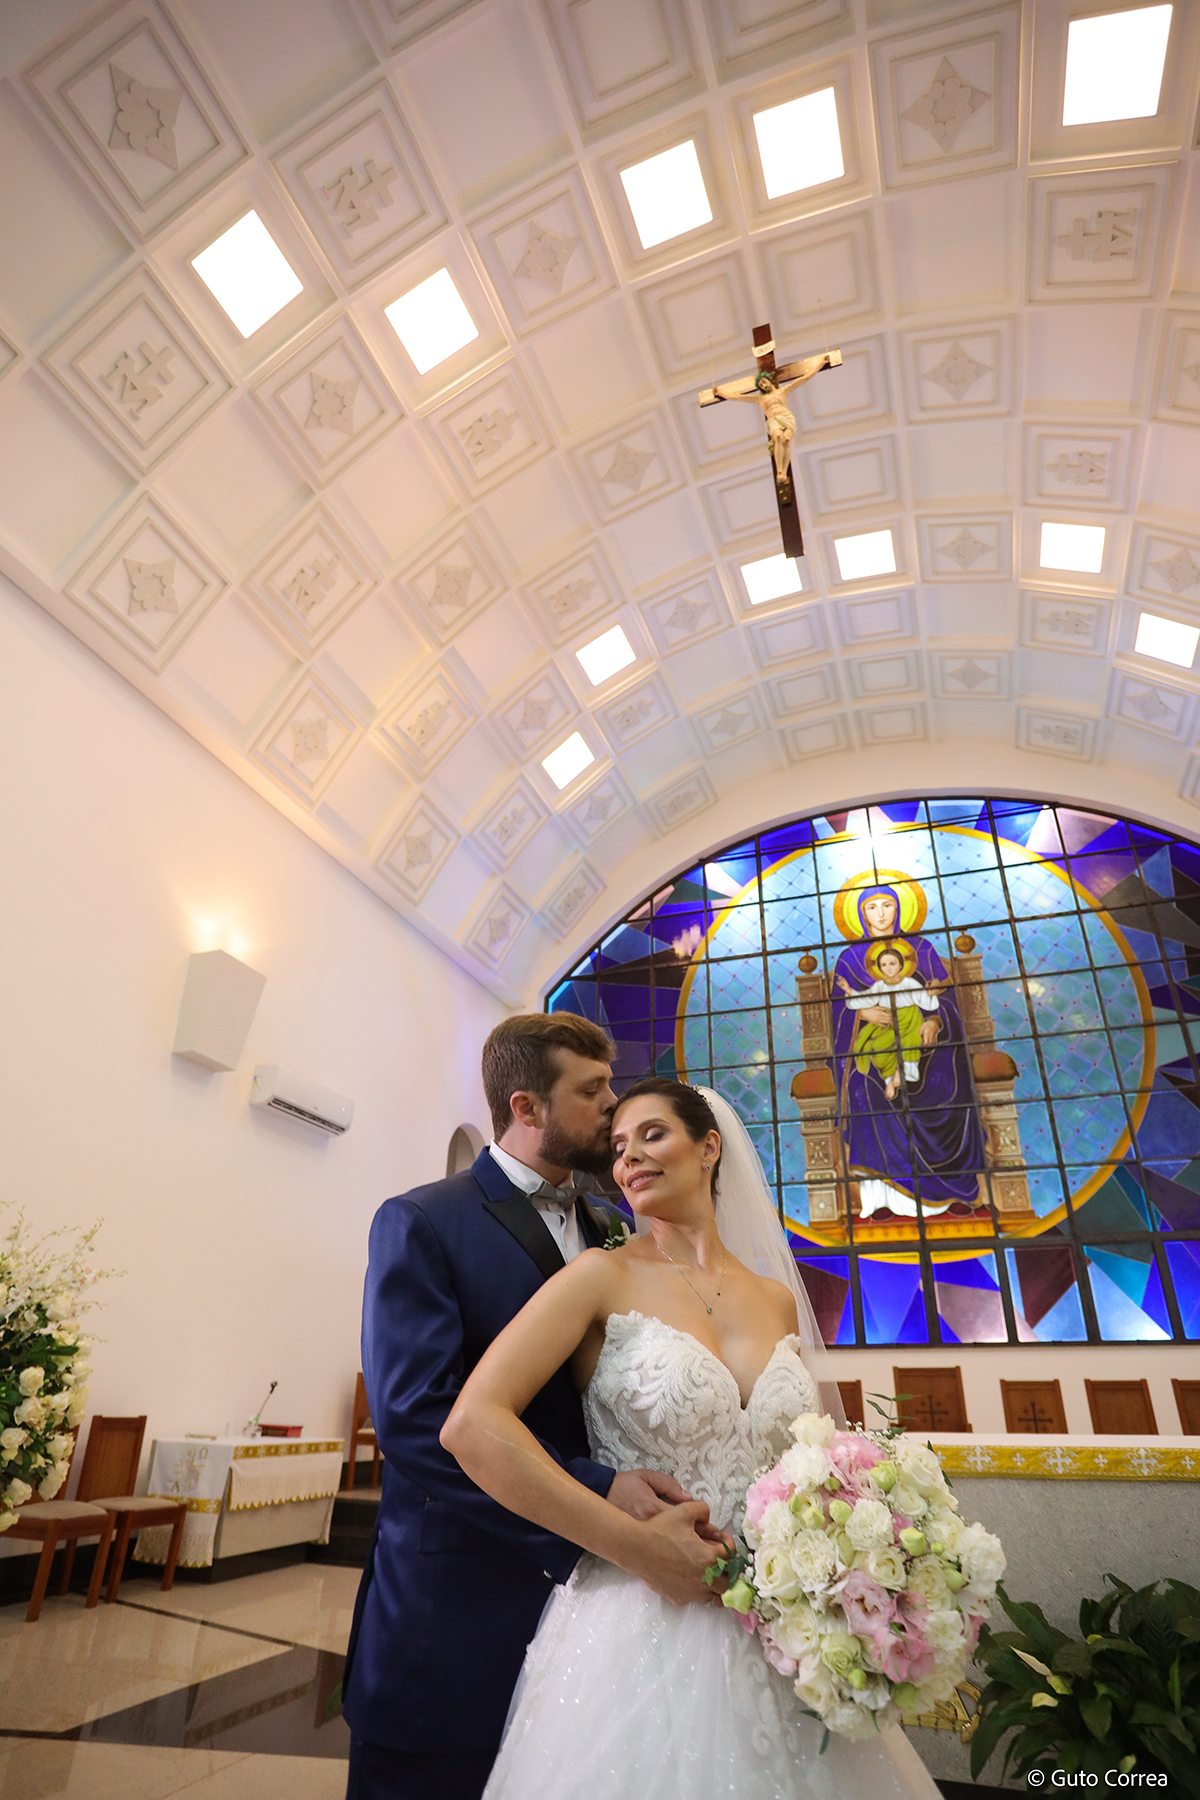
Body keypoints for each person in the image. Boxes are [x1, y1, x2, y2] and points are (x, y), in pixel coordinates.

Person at [442, 1077, 940, 1800]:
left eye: (652, 1135)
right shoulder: (599, 1276)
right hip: (639, 1613)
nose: (629, 1159)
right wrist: (631, 1544)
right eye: (618, 1147)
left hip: (776, 1620)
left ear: (709, 1147)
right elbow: (473, 1425)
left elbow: (809, 1462)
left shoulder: (775, 1297)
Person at [341, 1017, 721, 1800]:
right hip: (459, 1605)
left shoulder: (613, 1229)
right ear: (526, 1106)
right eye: (592, 1091)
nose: (613, 1106)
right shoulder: (424, 1221)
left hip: (604, 1619)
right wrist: (598, 1491)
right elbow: (417, 1419)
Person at [830, 875, 987, 1221]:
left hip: (927, 1046)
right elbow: (838, 1012)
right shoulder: (849, 959)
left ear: (900, 908)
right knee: (861, 1085)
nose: (880, 913)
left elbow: (944, 998)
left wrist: (934, 1021)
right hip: (875, 1047)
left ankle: (954, 1193)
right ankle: (881, 1198)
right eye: (871, 907)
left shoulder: (923, 949)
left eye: (887, 905)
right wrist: (863, 1013)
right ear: (860, 914)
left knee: (949, 1080)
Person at [839, 939, 941, 1100]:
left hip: (909, 1019)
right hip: (888, 1022)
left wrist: (930, 995)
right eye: (884, 965)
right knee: (878, 1046)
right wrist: (849, 991)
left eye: (892, 963)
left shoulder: (909, 983)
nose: (889, 968)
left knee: (909, 1042)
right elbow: (867, 999)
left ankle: (905, 1074)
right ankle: (889, 1080)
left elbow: (924, 1000)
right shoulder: (879, 986)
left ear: (901, 965)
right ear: (879, 968)